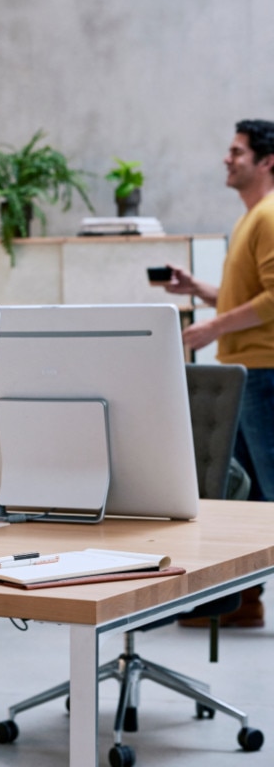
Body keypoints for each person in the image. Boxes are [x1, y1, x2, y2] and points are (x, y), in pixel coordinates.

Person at [161, 119, 274, 627]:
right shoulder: (252, 219)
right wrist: (200, 290)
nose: (227, 159)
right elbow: (249, 297)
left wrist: (210, 329)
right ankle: (243, 603)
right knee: (243, 499)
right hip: (246, 373)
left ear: (267, 160)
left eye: (237, 151)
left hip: (265, 373)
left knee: (268, 497)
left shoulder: (270, 216)